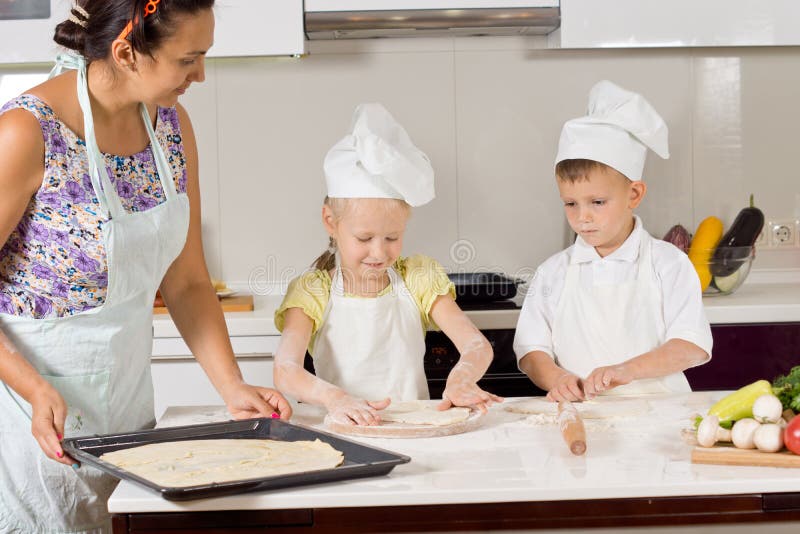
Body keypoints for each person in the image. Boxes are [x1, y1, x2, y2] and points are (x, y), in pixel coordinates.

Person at [0, 1, 290, 532]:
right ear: (127, 53)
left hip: (130, 417)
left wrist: (231, 386)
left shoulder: (171, 128)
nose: (200, 74)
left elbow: (187, 279)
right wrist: (35, 389)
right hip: (29, 421)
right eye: (189, 59)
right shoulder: (24, 133)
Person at [273, 103, 502, 426]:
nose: (379, 253)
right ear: (330, 222)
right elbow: (286, 371)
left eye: (392, 237)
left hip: (417, 429)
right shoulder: (313, 291)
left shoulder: (417, 278)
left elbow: (476, 345)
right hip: (346, 430)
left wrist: (462, 378)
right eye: (364, 239)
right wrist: (334, 398)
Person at [513, 80, 713, 401]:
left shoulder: (669, 263)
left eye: (598, 202)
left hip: (662, 418)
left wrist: (626, 370)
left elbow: (691, 344)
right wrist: (557, 379)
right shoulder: (553, 272)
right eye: (570, 203)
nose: (583, 217)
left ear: (634, 194)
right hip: (585, 417)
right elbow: (531, 350)